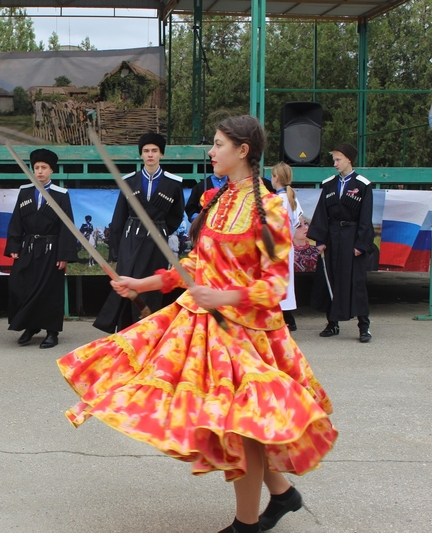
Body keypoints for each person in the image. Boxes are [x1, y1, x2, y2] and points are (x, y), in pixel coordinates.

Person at [57, 115, 337, 533]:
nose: (211, 151)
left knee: (242, 426)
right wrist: (143, 283)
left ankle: (247, 524)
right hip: (203, 326)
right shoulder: (216, 200)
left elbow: (276, 285)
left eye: (218, 144)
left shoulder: (272, 209)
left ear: (243, 151)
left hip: (249, 335)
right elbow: (192, 265)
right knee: (236, 422)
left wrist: (223, 295)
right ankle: (281, 495)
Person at [93, 132, 185, 333]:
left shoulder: (173, 183)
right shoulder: (129, 181)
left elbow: (176, 215)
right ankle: (127, 331)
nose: (150, 155)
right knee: (127, 283)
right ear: (141, 155)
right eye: (146, 151)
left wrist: (160, 230)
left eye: (154, 151)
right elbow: (119, 216)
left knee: (153, 284)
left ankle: (151, 331)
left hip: (157, 243)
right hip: (131, 240)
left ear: (161, 154)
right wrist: (116, 249)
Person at [4, 148, 78, 349]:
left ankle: (52, 332)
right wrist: (14, 246)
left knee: (50, 290)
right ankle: (30, 326)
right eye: (36, 167)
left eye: (44, 168)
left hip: (51, 249)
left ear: (51, 170)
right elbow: (16, 221)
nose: (39, 171)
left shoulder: (61, 195)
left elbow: (67, 226)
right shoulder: (25, 191)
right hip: (28, 248)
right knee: (21, 285)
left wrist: (64, 255)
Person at [307, 141, 374, 343]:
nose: (335, 163)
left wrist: (361, 244)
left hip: (352, 236)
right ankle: (332, 323)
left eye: (338, 159)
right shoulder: (329, 185)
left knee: (356, 282)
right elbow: (322, 214)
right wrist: (320, 239)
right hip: (333, 237)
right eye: (333, 159)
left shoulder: (363, 185)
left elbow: (365, 217)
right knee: (330, 279)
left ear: (349, 160)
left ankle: (364, 326)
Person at [271, 162, 303, 332]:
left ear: (276, 178)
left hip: (276, 249)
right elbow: (297, 223)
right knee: (286, 284)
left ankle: (283, 320)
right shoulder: (292, 198)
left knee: (274, 284)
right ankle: (287, 318)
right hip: (287, 247)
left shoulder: (275, 201)